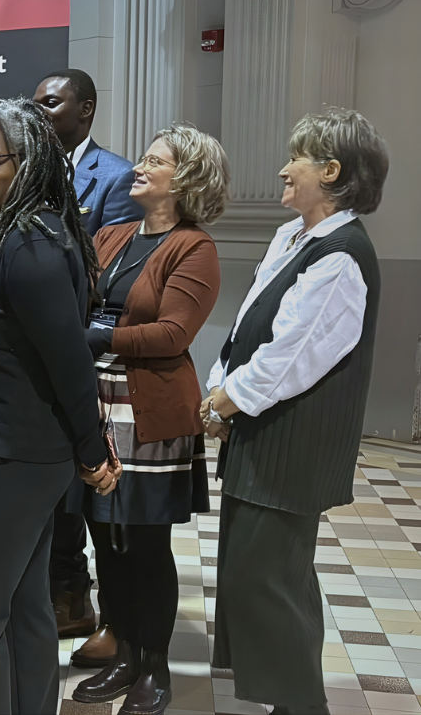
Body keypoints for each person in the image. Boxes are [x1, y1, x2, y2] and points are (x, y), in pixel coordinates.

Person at [0, 98, 118, 714]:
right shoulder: (23, 234)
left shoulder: (30, 243)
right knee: (20, 605)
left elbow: (69, 360)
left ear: (30, 162)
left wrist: (92, 451)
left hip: (11, 460)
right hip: (22, 454)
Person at [206, 107, 387, 714]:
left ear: (331, 171)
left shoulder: (340, 256)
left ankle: (302, 705)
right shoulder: (295, 236)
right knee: (263, 576)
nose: (283, 169)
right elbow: (250, 327)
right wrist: (221, 383)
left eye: (297, 159)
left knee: (263, 582)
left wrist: (223, 403)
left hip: (292, 445)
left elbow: (292, 359)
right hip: (264, 438)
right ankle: (289, 701)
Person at [67, 124, 229, 714]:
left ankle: (155, 668)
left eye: (154, 161)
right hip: (94, 401)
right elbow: (73, 300)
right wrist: (89, 333)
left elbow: (172, 334)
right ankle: (125, 656)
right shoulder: (111, 235)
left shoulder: (195, 247)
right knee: (104, 538)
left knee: (144, 542)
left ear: (183, 180)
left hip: (148, 410)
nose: (138, 166)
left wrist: (92, 334)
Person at [34, 67, 144, 639]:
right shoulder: (29, 172)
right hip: (37, 351)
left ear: (86, 110)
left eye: (51, 104)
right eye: (36, 105)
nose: (41, 114)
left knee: (85, 484)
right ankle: (65, 591)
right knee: (53, 490)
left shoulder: (117, 177)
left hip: (83, 350)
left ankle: (88, 602)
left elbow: (109, 271)